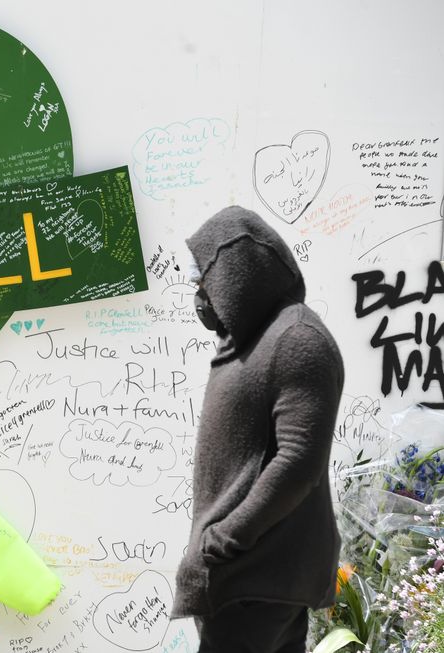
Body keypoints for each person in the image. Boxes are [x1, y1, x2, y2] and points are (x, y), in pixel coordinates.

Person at [170, 206, 344, 653]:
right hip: (244, 577)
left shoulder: (296, 339)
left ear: (235, 272)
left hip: (258, 577)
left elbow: (298, 461)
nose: (198, 295)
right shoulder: (255, 339)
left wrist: (226, 539)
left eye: (202, 281)